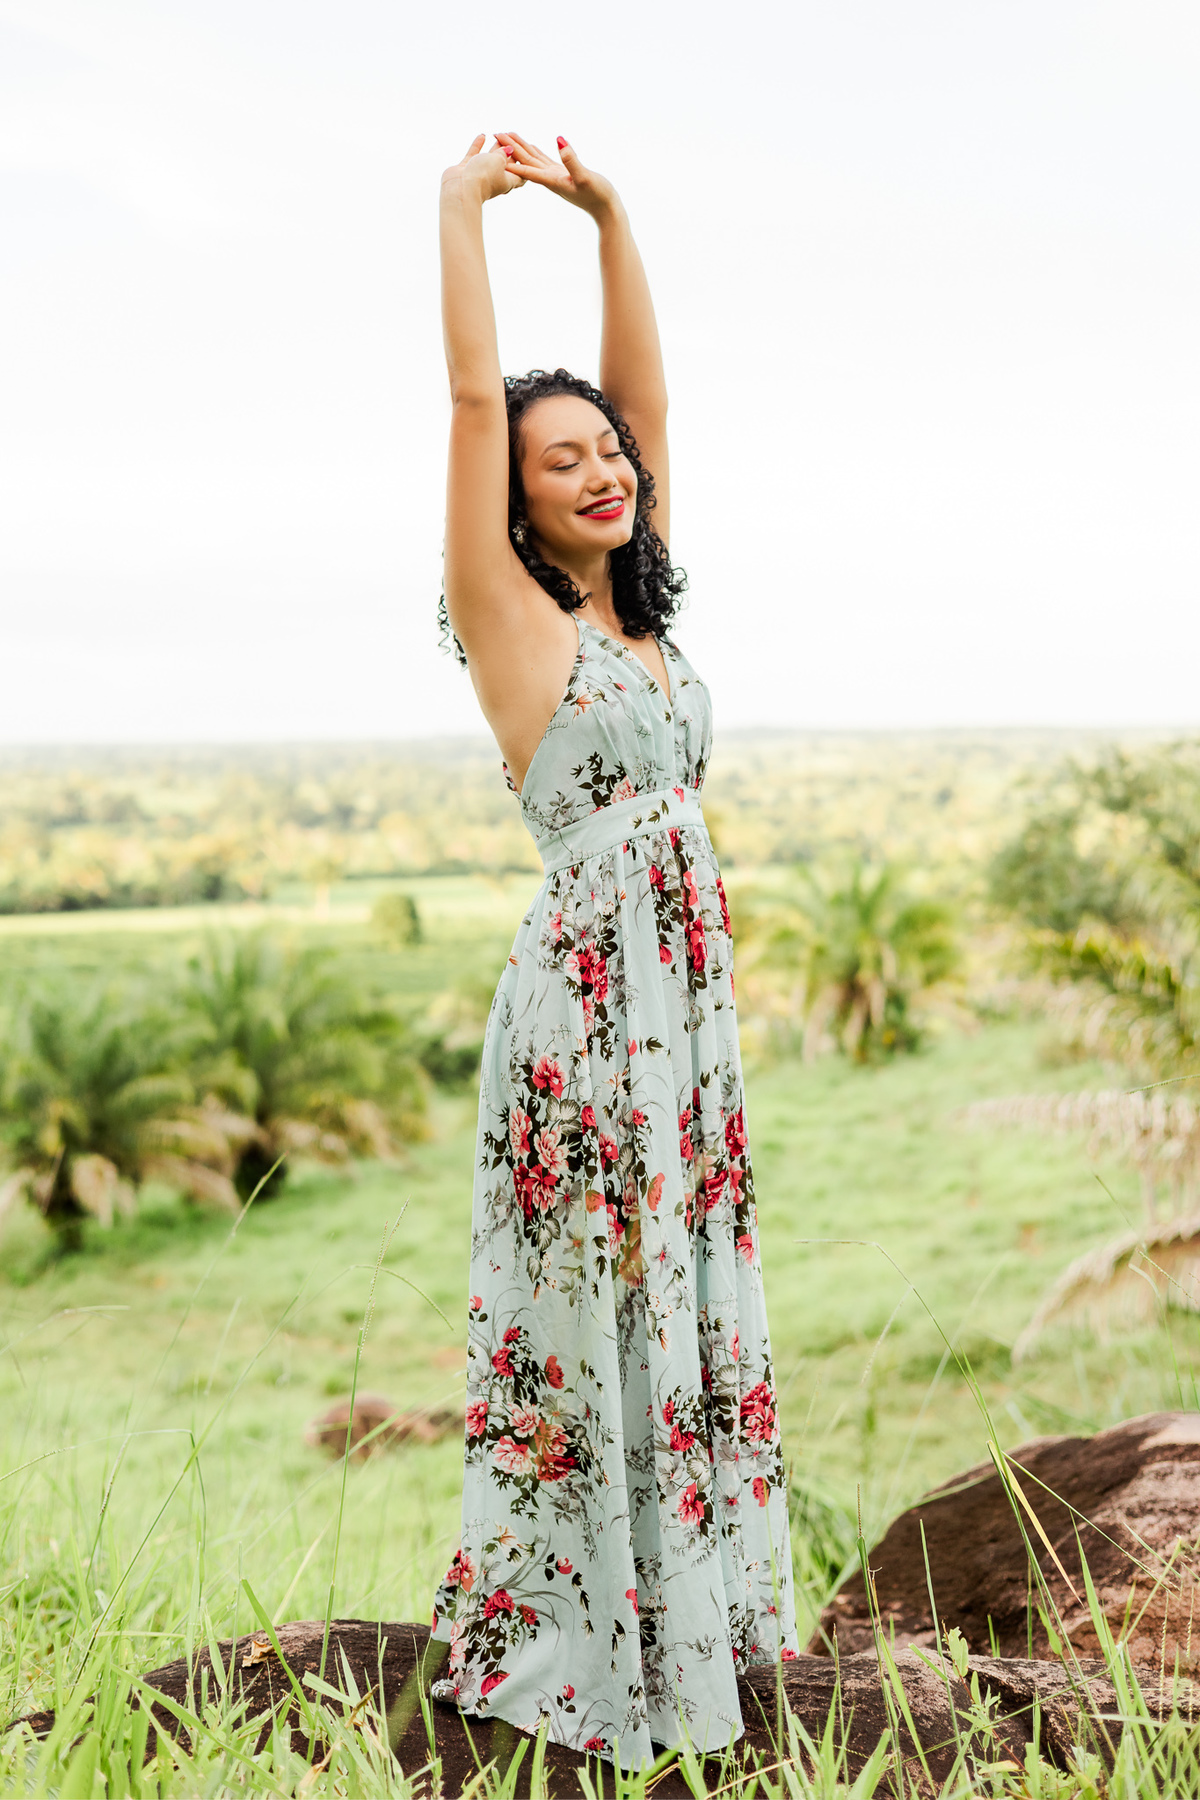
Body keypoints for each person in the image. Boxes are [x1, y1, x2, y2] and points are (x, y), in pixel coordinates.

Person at [430, 131, 797, 1768]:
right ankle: (583, 1658)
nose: (599, 471)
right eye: (559, 461)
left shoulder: (638, 613)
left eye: (605, 454)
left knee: (681, 1300)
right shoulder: (512, 622)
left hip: (680, 1024)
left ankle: (687, 1638)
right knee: (598, 1314)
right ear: (512, 503)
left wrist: (613, 217)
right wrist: (461, 212)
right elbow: (470, 402)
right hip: (586, 1020)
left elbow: (650, 406)